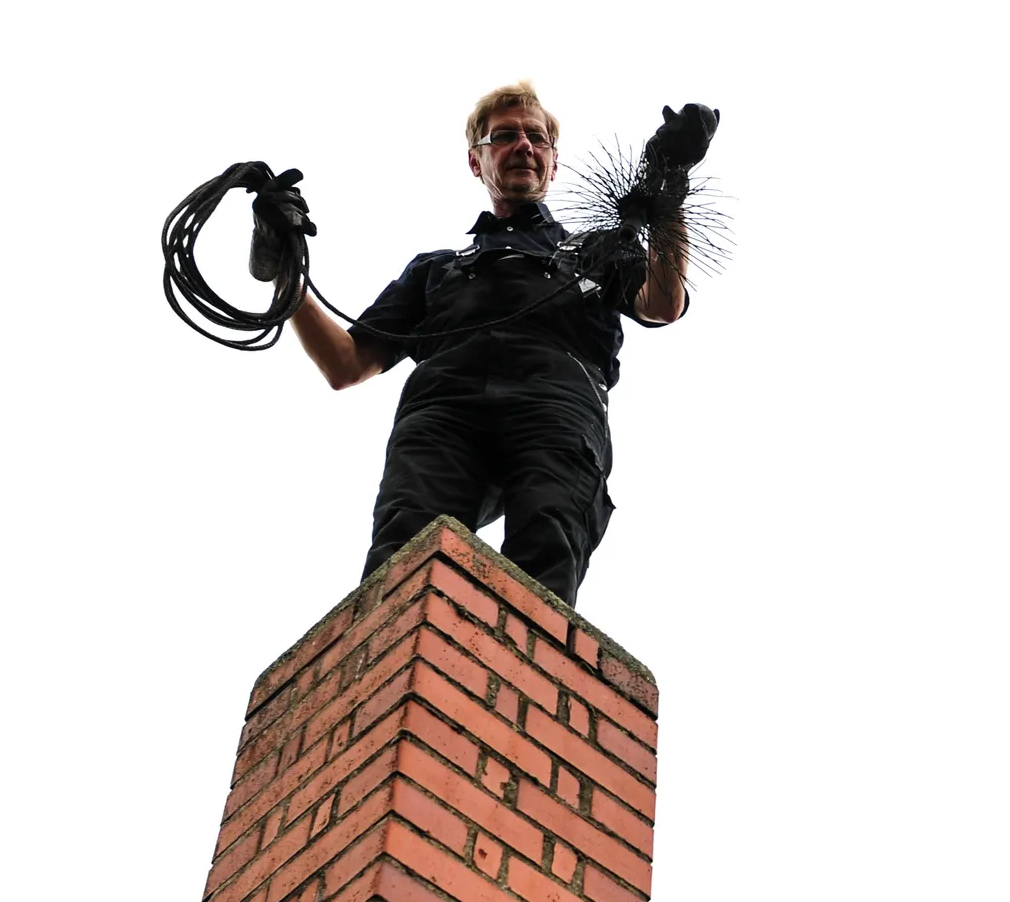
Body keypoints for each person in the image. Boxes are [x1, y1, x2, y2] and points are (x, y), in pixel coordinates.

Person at [257, 82, 717, 606]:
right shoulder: (437, 269)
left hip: (557, 403)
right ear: (477, 161)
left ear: (552, 161)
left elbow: (661, 303)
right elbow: (345, 363)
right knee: (403, 556)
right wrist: (285, 266)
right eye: (504, 136)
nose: (523, 145)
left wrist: (670, 185)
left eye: (536, 137)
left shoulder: (593, 252)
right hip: (443, 411)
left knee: (546, 547)